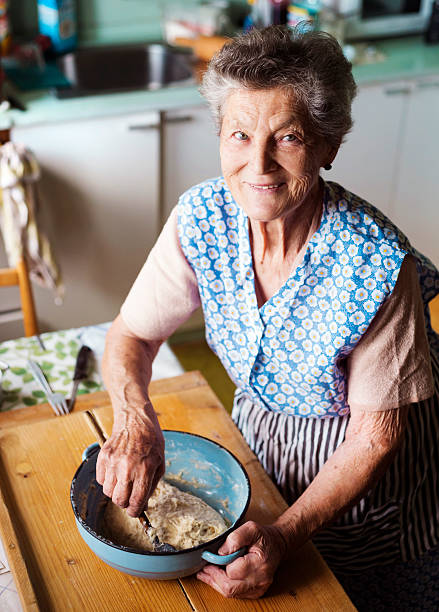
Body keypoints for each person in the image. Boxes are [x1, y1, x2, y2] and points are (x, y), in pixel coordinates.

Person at [96, 26, 439, 609]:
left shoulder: (377, 263)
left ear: (328, 145)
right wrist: (134, 418)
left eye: (287, 138)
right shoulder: (201, 218)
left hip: (362, 481)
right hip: (259, 445)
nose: (258, 164)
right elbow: (132, 334)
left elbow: (374, 440)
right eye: (239, 134)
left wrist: (284, 534)